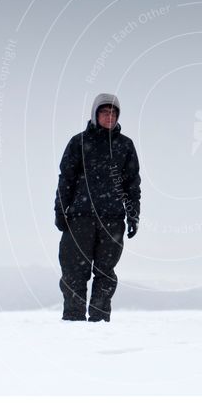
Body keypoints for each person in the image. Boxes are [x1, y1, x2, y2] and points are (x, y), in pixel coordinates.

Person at [54, 93, 141, 321]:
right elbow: (66, 180)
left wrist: (133, 216)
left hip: (112, 220)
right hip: (79, 219)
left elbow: (132, 185)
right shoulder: (79, 143)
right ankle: (73, 321)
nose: (109, 117)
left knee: (105, 273)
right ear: (95, 114)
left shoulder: (125, 146)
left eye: (113, 113)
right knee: (74, 272)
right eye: (105, 112)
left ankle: (99, 323)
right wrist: (60, 211)